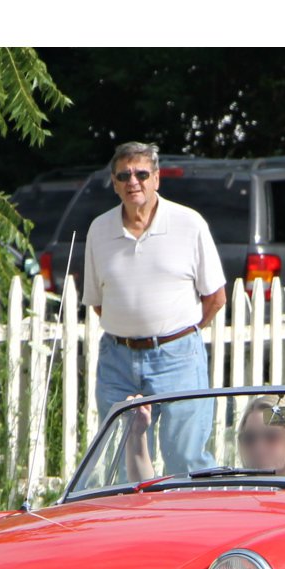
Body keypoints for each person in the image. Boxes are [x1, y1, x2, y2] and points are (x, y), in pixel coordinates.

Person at [82, 140, 227, 475]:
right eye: (124, 175)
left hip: (178, 356)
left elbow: (216, 297)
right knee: (119, 457)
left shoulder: (189, 224)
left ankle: (193, 524)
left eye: (142, 173)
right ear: (115, 184)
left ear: (156, 179)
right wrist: (136, 331)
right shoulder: (99, 230)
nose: (134, 181)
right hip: (117, 359)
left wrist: (176, 334)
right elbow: (99, 302)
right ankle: (128, 525)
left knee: (185, 457)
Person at [123, 394, 285, 482]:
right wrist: (137, 433)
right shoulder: (231, 493)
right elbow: (146, 490)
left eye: (271, 437)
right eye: (249, 439)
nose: (259, 447)